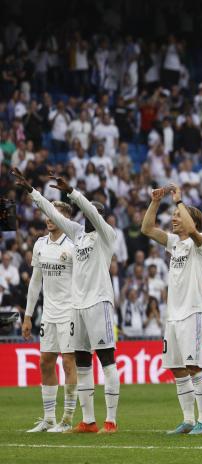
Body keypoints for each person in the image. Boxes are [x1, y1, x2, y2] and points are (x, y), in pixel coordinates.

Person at [13, 168, 120, 434]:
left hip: (99, 302)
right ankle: (88, 421)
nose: (87, 215)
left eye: (92, 212)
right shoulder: (78, 235)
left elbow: (90, 211)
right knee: (83, 362)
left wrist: (71, 191)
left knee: (106, 361)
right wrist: (31, 191)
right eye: (85, 213)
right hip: (78, 307)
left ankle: (111, 420)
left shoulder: (107, 236)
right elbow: (51, 212)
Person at [141, 184, 202, 435]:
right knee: (177, 369)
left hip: (192, 312)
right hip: (173, 315)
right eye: (172, 217)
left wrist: (180, 201)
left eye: (178, 216)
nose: (173, 220)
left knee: (194, 368)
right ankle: (189, 420)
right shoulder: (175, 244)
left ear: (191, 221)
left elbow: (193, 231)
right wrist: (156, 202)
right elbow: (147, 229)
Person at [22, 200, 77, 433]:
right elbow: (35, 283)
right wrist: (28, 316)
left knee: (68, 362)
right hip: (49, 314)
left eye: (54, 214)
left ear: (65, 219)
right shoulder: (40, 244)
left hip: (70, 312)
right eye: (47, 213)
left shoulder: (73, 245)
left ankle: (67, 419)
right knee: (45, 362)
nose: (49, 218)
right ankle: (49, 419)